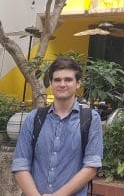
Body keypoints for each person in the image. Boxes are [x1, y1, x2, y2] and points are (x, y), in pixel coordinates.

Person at [12, 57, 103, 196]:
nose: (62, 84)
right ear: (51, 83)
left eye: (68, 79)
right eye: (57, 80)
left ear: (78, 83)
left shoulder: (90, 119)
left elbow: (91, 167)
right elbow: (20, 164)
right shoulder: (34, 118)